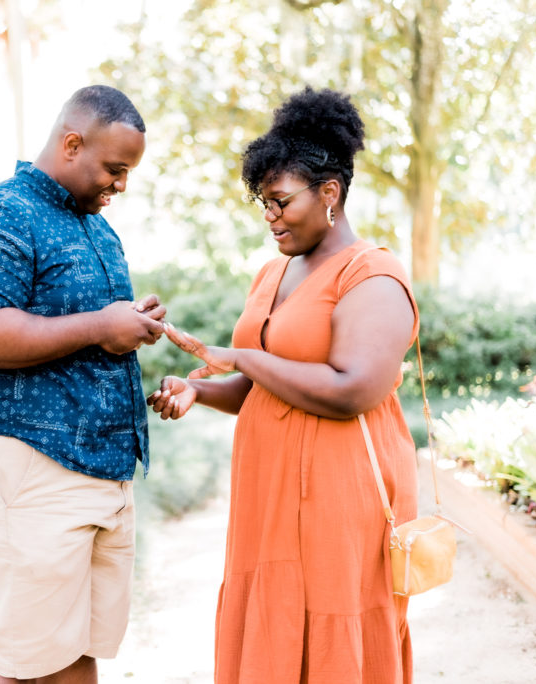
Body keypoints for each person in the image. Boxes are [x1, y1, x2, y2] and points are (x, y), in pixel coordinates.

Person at [148, 86, 419, 683]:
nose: (269, 217)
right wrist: (200, 389)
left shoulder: (372, 275)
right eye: (261, 203)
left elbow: (354, 390)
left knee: (332, 627)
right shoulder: (274, 271)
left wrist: (242, 357)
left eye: (279, 201)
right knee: (271, 626)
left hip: (338, 495)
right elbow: (259, 388)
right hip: (267, 491)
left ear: (330, 193)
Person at [0, 85, 166, 684]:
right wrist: (99, 325)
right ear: (71, 143)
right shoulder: (1, 215)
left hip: (100, 473)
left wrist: (127, 324)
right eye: (115, 170)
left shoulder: (96, 227)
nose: (121, 186)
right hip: (31, 468)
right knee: (16, 662)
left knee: (73, 656)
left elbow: (85, 330)